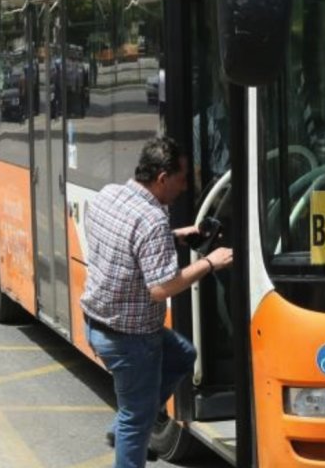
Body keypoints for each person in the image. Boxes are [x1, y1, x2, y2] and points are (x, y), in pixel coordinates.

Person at [80, 135, 233, 468]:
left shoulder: (110, 195)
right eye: (180, 180)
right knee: (137, 422)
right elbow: (162, 288)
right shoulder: (151, 220)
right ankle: (127, 426)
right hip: (130, 340)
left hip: (96, 323)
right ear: (162, 178)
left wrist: (177, 235)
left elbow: (129, 242)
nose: (183, 188)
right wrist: (210, 262)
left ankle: (122, 425)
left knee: (183, 355)